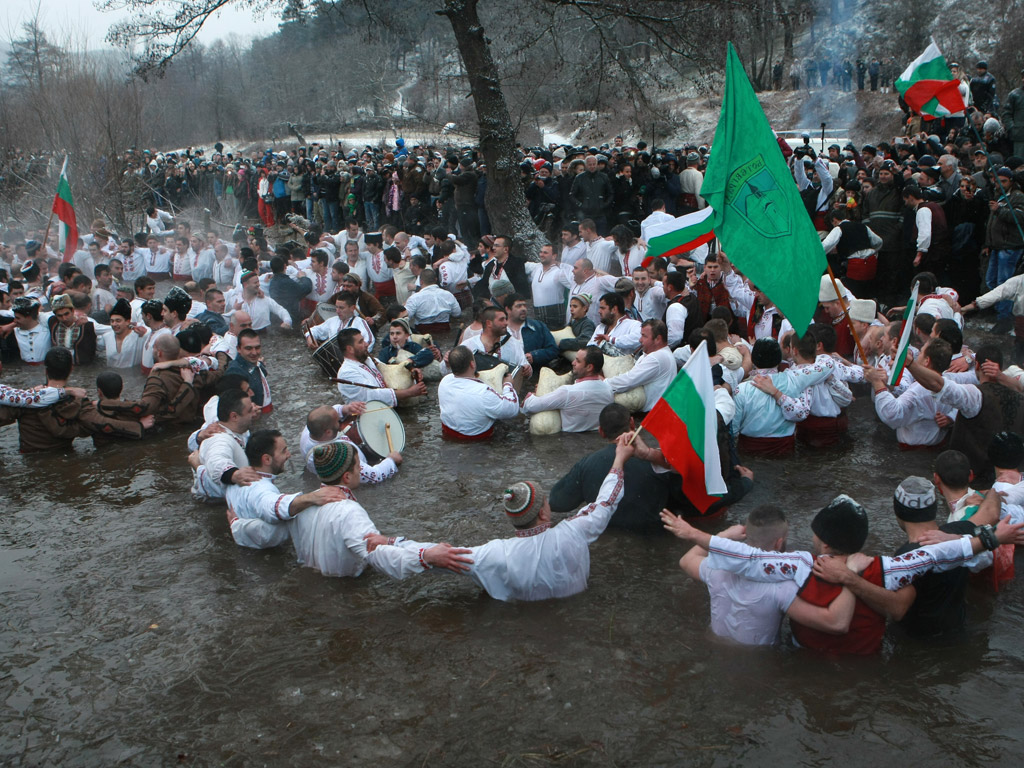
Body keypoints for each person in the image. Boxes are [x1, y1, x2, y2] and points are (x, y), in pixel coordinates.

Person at [662, 492, 1023, 655]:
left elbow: (752, 561)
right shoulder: (884, 568)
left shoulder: (799, 567)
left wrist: (700, 536)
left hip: (803, 657)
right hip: (865, 662)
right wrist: (988, 539)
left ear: (819, 539)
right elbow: (931, 556)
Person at [418, 437, 632, 601]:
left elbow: (441, 559)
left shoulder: (496, 553)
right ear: (542, 513)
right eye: (546, 502)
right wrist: (619, 460)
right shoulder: (575, 531)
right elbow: (606, 502)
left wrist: (396, 547)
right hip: (576, 609)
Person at [249, 441, 473, 576]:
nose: (362, 471)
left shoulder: (300, 504)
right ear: (347, 476)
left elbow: (266, 529)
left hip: (317, 579)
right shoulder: (348, 511)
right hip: (348, 584)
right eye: (359, 466)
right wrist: (426, 556)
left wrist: (237, 525)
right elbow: (377, 556)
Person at [677, 505, 849, 646]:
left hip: (714, 644)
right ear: (779, 542)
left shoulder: (717, 568)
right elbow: (836, 624)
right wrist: (850, 574)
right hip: (757, 662)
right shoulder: (784, 586)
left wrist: (724, 535)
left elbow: (686, 560)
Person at [0, 348, 149, 452]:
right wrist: (138, 426)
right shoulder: (77, 402)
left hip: (29, 457)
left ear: (46, 370)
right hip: (62, 457)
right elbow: (100, 423)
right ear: (71, 369)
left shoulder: (27, 400)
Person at [224, 430, 354, 550]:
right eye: (283, 451)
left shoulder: (235, 478)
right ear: (267, 459)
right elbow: (273, 507)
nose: (288, 455)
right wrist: (311, 498)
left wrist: (236, 525)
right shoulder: (261, 488)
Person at [870, 337, 956, 449]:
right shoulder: (950, 383)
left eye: (920, 353)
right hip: (937, 445)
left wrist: (877, 382)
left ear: (927, 361)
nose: (917, 356)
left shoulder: (919, 389)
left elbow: (892, 414)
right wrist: (951, 418)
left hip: (914, 452)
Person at [299, 403, 400, 485]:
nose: (340, 421)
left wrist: (344, 409)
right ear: (328, 432)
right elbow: (373, 476)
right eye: (338, 421)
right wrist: (391, 461)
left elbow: (330, 411)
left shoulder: (311, 429)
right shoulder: (337, 454)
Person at [190, 388, 261, 502]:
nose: (254, 412)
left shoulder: (237, 428)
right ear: (234, 417)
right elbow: (217, 461)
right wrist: (234, 475)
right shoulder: (219, 439)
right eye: (249, 410)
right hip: (217, 504)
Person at [521, 347, 614, 432]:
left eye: (578, 361)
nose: (573, 363)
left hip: (569, 441)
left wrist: (534, 394)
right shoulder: (609, 390)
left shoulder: (568, 392)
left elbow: (531, 406)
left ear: (589, 367)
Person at [437, 345, 519, 440]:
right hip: (478, 443)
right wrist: (508, 384)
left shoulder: (444, 381)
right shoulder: (483, 393)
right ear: (472, 364)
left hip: (448, 436)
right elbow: (512, 409)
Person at [335, 327, 426, 406]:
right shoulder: (347, 372)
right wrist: (409, 392)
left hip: (385, 410)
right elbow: (373, 396)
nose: (366, 344)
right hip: (368, 419)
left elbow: (390, 371)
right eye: (361, 342)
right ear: (350, 349)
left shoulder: (368, 360)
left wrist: (410, 370)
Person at [606, 319, 676, 413]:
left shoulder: (657, 357)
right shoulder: (656, 354)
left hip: (652, 416)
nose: (640, 340)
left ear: (658, 339)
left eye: (644, 336)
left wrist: (603, 383)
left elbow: (629, 380)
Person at [504, 294, 559, 368]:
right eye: (518, 306)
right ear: (507, 309)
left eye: (524, 305)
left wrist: (534, 356)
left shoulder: (538, 327)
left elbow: (553, 350)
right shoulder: (500, 329)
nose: (523, 309)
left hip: (535, 374)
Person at [524, 243, 572, 330]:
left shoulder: (559, 273)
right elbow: (522, 265)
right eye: (541, 252)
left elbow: (575, 285)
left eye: (545, 253)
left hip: (555, 317)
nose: (541, 255)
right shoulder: (536, 269)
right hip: (538, 315)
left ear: (554, 256)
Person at [307, 292, 375, 353]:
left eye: (341, 308)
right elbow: (313, 330)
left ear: (352, 308)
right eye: (336, 307)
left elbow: (370, 341)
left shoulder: (359, 322)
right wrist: (310, 339)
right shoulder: (332, 321)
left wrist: (354, 354)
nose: (337, 311)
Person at [226, 329, 273, 413]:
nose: (254, 353)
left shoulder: (256, 364)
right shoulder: (235, 372)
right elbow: (234, 408)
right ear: (238, 349)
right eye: (249, 348)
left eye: (257, 348)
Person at [404, 268, 461, 332]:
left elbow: (405, 318)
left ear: (421, 282)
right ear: (436, 280)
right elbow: (457, 313)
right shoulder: (448, 295)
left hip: (423, 334)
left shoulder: (414, 298)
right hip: (445, 332)